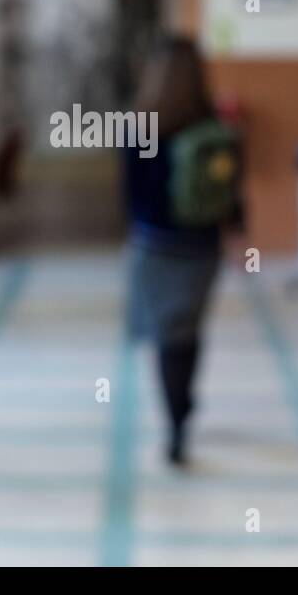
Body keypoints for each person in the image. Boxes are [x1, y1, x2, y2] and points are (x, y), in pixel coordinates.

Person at [123, 35, 242, 466]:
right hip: (202, 249)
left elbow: (131, 197)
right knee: (189, 331)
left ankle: (175, 420)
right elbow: (233, 194)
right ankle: (184, 405)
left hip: (155, 247)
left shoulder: (140, 128)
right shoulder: (212, 126)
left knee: (165, 338)